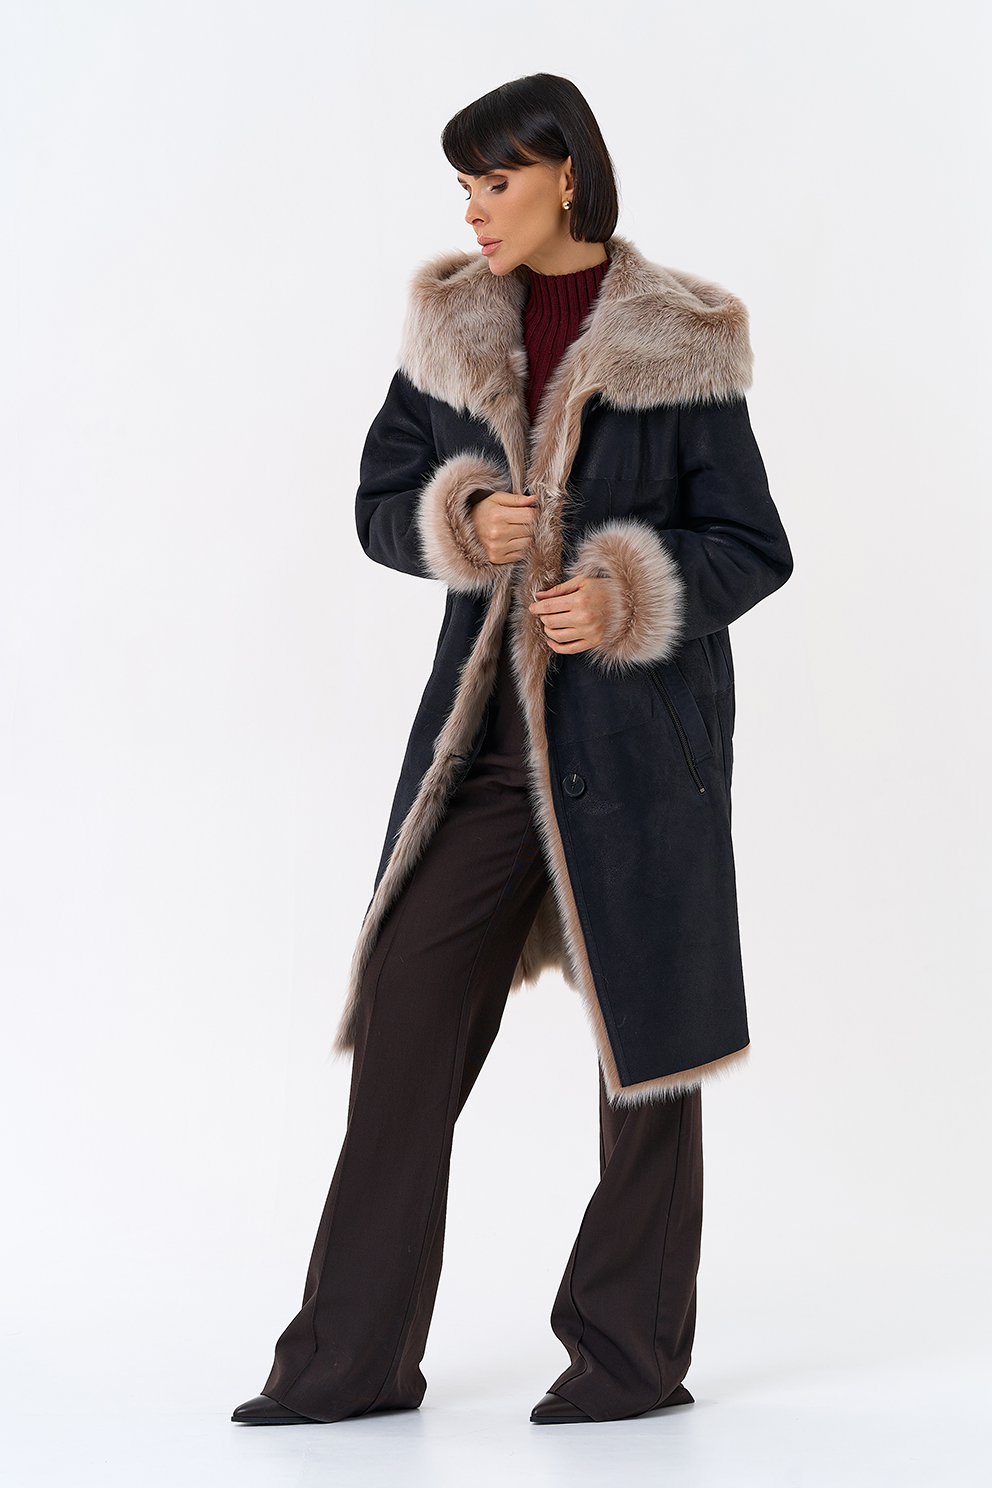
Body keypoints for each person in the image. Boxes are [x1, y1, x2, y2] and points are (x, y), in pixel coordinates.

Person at [232, 72, 793, 1428]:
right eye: (466, 187)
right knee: (405, 1036)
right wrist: (461, 512)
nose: (475, 211)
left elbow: (753, 544)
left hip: (642, 758)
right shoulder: (450, 331)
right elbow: (380, 499)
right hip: (483, 752)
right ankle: (352, 1361)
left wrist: (626, 592)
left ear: (566, 177)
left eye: (497, 181)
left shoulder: (680, 340)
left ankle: (630, 1359)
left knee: (647, 1064)